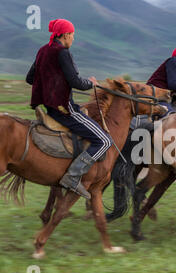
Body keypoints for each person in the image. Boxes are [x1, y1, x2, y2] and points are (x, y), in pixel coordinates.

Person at [26, 19, 112, 199]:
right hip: (65, 110)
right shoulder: (63, 53)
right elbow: (75, 82)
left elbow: (30, 78)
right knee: (104, 141)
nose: (73, 38)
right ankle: (72, 177)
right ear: (65, 35)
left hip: (50, 107)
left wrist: (50, 85)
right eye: (72, 35)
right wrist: (91, 83)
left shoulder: (43, 50)